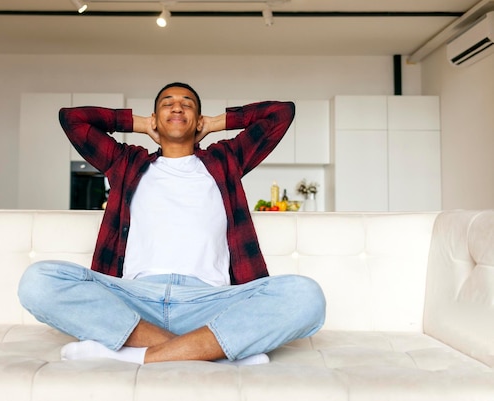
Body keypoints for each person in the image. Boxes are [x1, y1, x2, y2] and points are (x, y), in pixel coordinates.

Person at [18, 82, 325, 365]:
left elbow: (280, 114)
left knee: (306, 296)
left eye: (187, 103)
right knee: (37, 281)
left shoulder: (225, 160)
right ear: (155, 117)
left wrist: (216, 123)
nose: (177, 107)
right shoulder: (126, 162)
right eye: (168, 103)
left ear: (198, 118)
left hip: (208, 302)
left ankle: (135, 356)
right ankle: (211, 352)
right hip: (134, 300)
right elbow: (73, 120)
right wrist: (138, 124)